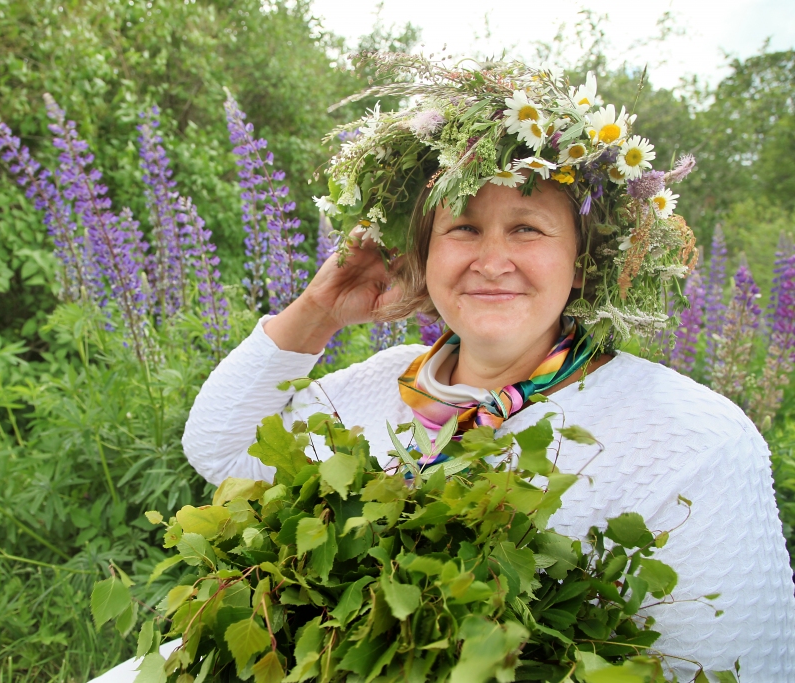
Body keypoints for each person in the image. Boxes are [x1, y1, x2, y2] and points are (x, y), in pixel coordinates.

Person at [93, 59, 795, 683]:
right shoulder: (385, 384)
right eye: (462, 228)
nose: (491, 259)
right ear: (422, 257)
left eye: (527, 227)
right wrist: (318, 310)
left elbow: (741, 665)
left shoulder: (692, 436)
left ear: (583, 263)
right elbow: (219, 447)